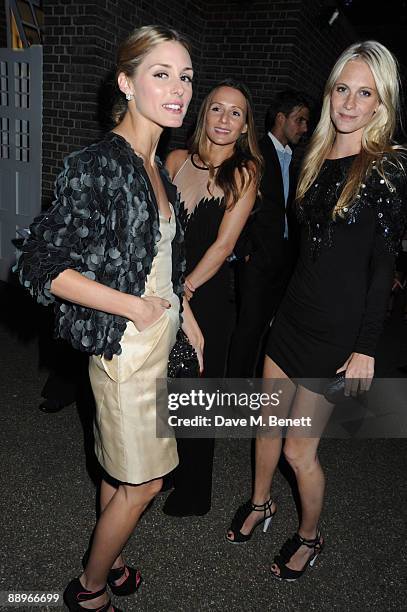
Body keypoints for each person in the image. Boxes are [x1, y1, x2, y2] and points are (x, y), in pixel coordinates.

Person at [15, 25, 202, 612]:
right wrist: (134, 306)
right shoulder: (99, 164)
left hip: (158, 341)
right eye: (161, 73)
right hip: (126, 348)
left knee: (121, 471)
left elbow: (162, 260)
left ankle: (111, 556)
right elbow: (40, 265)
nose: (179, 89)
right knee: (145, 482)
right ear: (126, 82)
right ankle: (89, 590)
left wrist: (185, 313)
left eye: (186, 76)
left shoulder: (158, 166)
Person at [226, 41, 407, 581]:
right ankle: (260, 506)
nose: (349, 103)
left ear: (382, 103)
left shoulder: (388, 169)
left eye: (364, 93)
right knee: (265, 427)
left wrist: (366, 347)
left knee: (299, 452)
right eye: (341, 88)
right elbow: (307, 253)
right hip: (292, 318)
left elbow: (382, 268)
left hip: (336, 335)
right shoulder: (312, 156)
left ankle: (310, 535)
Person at [163, 79, 262, 516]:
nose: (225, 119)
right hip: (160, 291)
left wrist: (183, 290)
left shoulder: (245, 172)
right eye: (217, 109)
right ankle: (165, 468)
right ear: (204, 114)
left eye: (235, 113)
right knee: (163, 388)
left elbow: (223, 247)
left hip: (204, 296)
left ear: (244, 127)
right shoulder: (176, 159)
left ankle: (194, 492)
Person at [228, 90, 310, 377]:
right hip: (257, 258)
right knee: (249, 327)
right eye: (299, 120)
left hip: (282, 259)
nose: (304, 128)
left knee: (268, 328)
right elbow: (237, 200)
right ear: (280, 118)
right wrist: (244, 249)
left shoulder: (291, 158)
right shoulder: (257, 152)